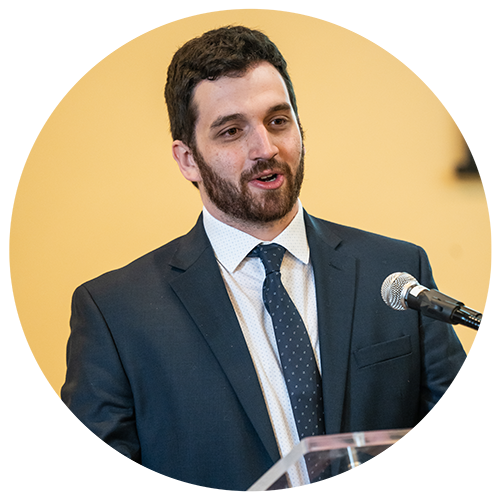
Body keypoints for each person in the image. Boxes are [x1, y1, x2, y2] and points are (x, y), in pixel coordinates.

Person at [57, 26, 490, 492]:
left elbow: (467, 450)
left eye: (278, 121)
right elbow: (96, 486)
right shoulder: (116, 312)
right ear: (187, 160)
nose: (265, 149)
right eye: (231, 131)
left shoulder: (396, 273)